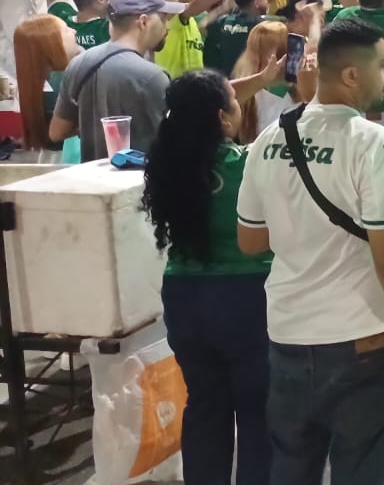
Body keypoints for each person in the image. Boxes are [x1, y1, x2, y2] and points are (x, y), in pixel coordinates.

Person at [236, 19, 384, 484]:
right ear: (351, 75)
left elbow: (250, 240)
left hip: (287, 339)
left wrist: (300, 228)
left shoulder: (268, 140)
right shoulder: (376, 145)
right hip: (363, 342)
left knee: (291, 468)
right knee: (360, 471)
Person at [142, 70, 274, 485]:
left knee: (203, 405)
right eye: (234, 102)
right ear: (221, 117)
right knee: (257, 410)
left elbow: (199, 105)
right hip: (246, 298)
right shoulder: (249, 165)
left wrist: (263, 78)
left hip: (184, 297)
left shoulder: (168, 165)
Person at [49, 0, 184, 160]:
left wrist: (95, 123)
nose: (167, 27)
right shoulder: (152, 77)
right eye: (164, 18)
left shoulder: (78, 64)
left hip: (92, 175)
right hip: (139, 176)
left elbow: (57, 132)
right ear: (143, 21)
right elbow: (175, 143)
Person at [14, 15, 81, 156]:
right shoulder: (65, 80)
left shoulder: (35, 84)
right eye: (66, 30)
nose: (74, 31)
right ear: (51, 44)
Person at [205, 0, 269, 77]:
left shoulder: (221, 22)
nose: (267, 1)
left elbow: (209, 56)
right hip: (250, 81)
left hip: (222, 80)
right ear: (257, 2)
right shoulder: (264, 26)